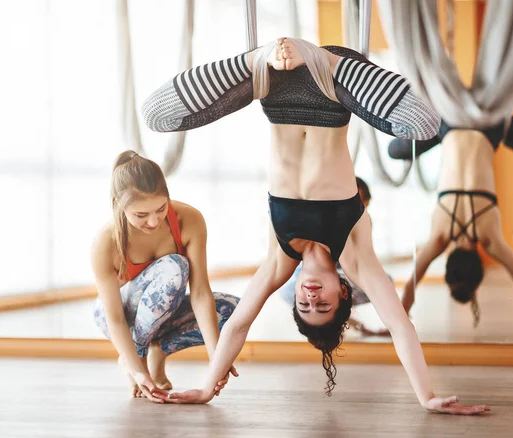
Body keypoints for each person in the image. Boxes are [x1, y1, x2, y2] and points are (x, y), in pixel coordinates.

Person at [142, 38, 489, 414]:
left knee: (156, 115)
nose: (310, 295)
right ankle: (322, 58)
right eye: (321, 303)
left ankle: (254, 58)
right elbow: (401, 326)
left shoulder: (280, 259)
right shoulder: (354, 254)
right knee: (425, 125)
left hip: (275, 88)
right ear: (342, 292)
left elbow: (239, 324)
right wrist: (427, 397)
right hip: (332, 86)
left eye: (305, 305)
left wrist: (208, 387)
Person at [91, 150, 240, 403]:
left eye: (160, 209)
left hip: (163, 313)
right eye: (140, 215)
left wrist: (218, 358)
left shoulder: (189, 220)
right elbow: (115, 318)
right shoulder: (104, 243)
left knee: (233, 310)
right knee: (174, 266)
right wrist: (137, 370)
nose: (153, 221)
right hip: (117, 317)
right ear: (119, 204)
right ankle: (136, 358)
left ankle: (157, 351)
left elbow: (201, 292)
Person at [393, 120, 513, 334]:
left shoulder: (489, 237)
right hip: (448, 125)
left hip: (491, 128)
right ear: (448, 261)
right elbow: (411, 285)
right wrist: (395, 326)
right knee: (394, 151)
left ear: (480, 266)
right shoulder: (440, 237)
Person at [279, 177, 390, 336]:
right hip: (321, 270)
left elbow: (365, 264)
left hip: (345, 271)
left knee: (381, 283)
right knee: (289, 290)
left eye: (360, 202)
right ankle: (340, 320)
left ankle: (340, 317)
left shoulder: (361, 224)